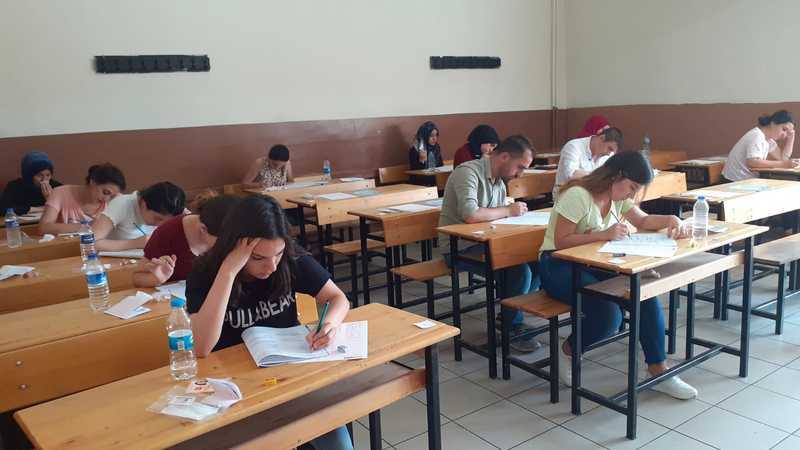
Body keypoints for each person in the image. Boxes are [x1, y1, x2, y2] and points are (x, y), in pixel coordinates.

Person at [186, 195, 353, 450]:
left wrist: (329, 325)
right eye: (258, 257)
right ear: (234, 246)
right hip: (235, 386)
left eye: (278, 253)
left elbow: (337, 298)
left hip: (288, 374)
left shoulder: (289, 259)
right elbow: (201, 347)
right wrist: (228, 271)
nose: (272, 266)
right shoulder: (205, 272)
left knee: (336, 436)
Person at [539, 151, 698, 399]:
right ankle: (568, 350)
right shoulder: (578, 195)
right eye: (632, 187)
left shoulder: (617, 197)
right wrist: (603, 234)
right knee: (608, 315)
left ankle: (658, 371)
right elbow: (561, 241)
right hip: (557, 265)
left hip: (595, 262)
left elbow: (643, 220)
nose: (631, 195)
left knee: (642, 294)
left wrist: (671, 219)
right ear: (616, 176)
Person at [440, 135, 540, 352]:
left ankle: (508, 312)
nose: (520, 174)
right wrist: (509, 210)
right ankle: (510, 325)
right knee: (519, 272)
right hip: (460, 247)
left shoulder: (499, 182)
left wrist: (511, 215)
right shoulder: (467, 172)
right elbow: (471, 215)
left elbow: (497, 219)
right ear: (504, 157)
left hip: (488, 242)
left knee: (539, 261)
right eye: (520, 167)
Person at [133, 194, 240, 287]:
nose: (235, 245)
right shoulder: (168, 233)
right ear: (203, 229)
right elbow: (137, 277)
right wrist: (156, 279)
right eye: (227, 240)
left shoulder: (240, 233)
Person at [93, 181, 186, 251]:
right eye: (157, 218)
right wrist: (135, 243)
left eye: (167, 222)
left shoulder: (176, 212)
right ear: (144, 204)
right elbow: (91, 243)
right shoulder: (121, 204)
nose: (160, 225)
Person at [39, 163, 126, 235]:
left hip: (99, 247)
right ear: (92, 182)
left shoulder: (116, 201)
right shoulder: (60, 193)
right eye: (105, 192)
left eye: (112, 196)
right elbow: (44, 227)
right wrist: (86, 227)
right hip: (66, 246)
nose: (107, 199)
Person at [721, 110, 798, 182]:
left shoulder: (769, 140)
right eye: (784, 129)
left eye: (787, 133)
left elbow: (783, 158)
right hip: (733, 181)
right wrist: (784, 164)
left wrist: (791, 138)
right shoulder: (757, 136)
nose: (784, 135)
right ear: (773, 123)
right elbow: (752, 162)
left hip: (747, 181)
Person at [553, 127, 623, 200]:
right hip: (566, 194)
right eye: (609, 148)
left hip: (591, 195)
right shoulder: (573, 146)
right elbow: (571, 175)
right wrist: (599, 176)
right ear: (602, 138)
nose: (609, 153)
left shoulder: (608, 155)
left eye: (612, 151)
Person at [0, 151, 63, 215]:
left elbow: (66, 208)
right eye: (39, 175)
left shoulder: (56, 186)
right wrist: (37, 209)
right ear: (29, 176)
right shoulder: (14, 186)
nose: (44, 179)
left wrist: (50, 199)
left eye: (48, 175)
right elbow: (3, 209)